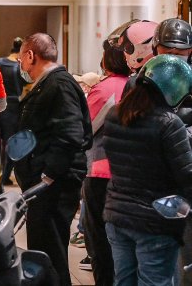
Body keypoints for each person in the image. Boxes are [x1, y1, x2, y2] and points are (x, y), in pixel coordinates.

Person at [104, 54, 192, 286]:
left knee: (123, 281)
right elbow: (187, 175)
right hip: (155, 221)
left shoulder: (115, 114)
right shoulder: (170, 123)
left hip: (117, 216)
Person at [14, 33, 92, 286]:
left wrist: (47, 176)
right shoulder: (49, 83)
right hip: (46, 185)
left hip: (54, 187)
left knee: (51, 251)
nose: (20, 66)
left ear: (30, 55)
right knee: (43, 250)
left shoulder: (59, 84)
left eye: (21, 59)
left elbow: (70, 134)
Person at [80, 40, 131, 286]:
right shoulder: (139, 86)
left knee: (99, 238)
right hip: (131, 172)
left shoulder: (104, 89)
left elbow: (85, 129)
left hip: (101, 171)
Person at [151, 18, 192, 286]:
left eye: (180, 53)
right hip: (151, 181)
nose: (174, 59)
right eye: (168, 52)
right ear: (156, 50)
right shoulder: (144, 82)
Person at [0, 37, 28, 190]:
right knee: (11, 143)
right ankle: (5, 175)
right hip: (13, 106)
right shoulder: (19, 67)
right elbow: (27, 85)